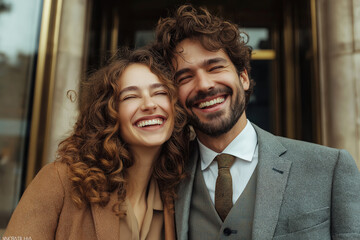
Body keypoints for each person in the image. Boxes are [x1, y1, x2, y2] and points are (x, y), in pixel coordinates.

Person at [153, 4, 360, 240]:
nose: (204, 85)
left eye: (215, 67)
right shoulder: (167, 177)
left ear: (243, 78)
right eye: (185, 77)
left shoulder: (330, 168)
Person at [4, 47, 188, 240]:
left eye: (159, 92)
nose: (149, 104)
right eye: (130, 96)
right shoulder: (59, 180)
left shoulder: (176, 193)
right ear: (108, 113)